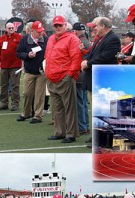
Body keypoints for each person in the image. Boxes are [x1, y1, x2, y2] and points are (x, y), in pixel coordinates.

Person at [45, 15, 82, 143]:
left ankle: (71, 134)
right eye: (56, 25)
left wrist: (69, 75)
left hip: (64, 77)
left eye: (60, 25)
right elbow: (48, 56)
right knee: (57, 108)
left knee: (69, 108)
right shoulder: (50, 38)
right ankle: (59, 132)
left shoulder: (72, 38)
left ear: (65, 25)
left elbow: (76, 58)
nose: (58, 27)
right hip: (52, 77)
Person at [16, 21, 48, 124]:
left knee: (39, 95)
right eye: (38, 31)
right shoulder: (25, 39)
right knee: (27, 93)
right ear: (32, 31)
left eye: (41, 31)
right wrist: (27, 56)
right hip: (29, 71)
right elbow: (19, 52)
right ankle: (26, 113)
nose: (40, 33)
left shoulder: (46, 40)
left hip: (41, 72)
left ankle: (38, 116)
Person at [0, 22, 22, 111]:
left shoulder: (19, 38)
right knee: (3, 85)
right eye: (9, 28)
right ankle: (4, 103)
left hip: (15, 66)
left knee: (15, 85)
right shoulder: (1, 39)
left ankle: (15, 104)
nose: (11, 29)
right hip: (4, 66)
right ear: (6, 29)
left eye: (12, 28)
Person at [72, 22, 90, 135]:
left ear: (76, 31)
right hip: (84, 75)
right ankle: (86, 126)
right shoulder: (86, 41)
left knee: (79, 102)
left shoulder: (79, 42)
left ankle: (82, 126)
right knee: (83, 102)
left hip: (80, 75)